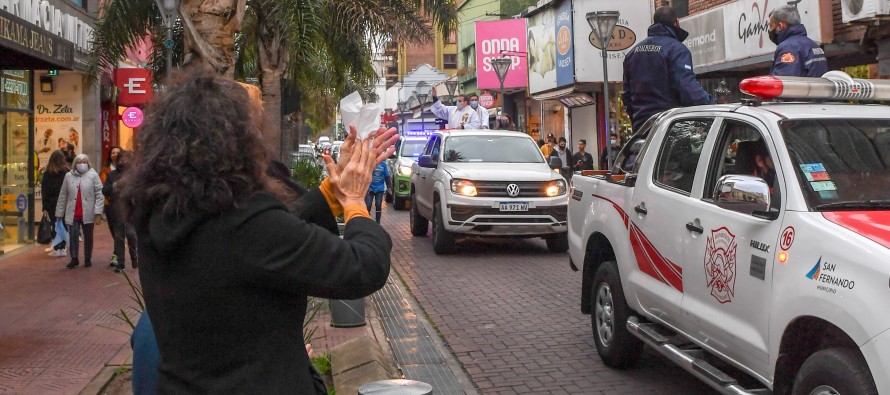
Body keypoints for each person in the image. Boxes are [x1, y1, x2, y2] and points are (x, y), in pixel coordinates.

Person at [122, 68, 396, 394]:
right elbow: (362, 266)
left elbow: (278, 235)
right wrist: (353, 201)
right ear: (233, 142)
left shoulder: (161, 211)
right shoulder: (244, 223)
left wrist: (331, 193)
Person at [622, 6, 714, 133]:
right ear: (676, 23)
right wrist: (712, 104)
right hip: (670, 128)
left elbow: (627, 95)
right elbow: (687, 88)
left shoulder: (632, 53)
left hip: (641, 128)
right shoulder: (676, 49)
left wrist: (637, 121)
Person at [55, 154, 103, 269]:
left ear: (88, 163)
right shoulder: (68, 176)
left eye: (84, 162)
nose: (82, 164)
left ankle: (87, 258)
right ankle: (74, 258)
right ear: (75, 164)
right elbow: (63, 195)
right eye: (79, 162)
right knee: (73, 235)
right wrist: (59, 213)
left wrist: (98, 211)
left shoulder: (93, 175)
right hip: (73, 212)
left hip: (88, 212)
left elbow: (99, 194)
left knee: (88, 236)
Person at [768, 5, 828, 77]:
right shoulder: (814, 45)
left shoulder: (789, 48)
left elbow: (784, 81)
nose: (770, 30)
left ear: (781, 26)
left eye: (771, 26)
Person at [102, 150, 137, 273]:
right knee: (119, 237)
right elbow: (105, 191)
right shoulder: (112, 175)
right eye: (121, 160)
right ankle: (120, 264)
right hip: (116, 210)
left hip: (131, 211)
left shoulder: (134, 174)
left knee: (132, 235)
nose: (123, 162)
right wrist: (116, 185)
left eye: (126, 160)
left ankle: (134, 258)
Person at [42, 150, 69, 257]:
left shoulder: (48, 174)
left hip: (52, 204)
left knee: (55, 225)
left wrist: (45, 206)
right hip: (65, 203)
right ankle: (63, 247)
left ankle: (57, 248)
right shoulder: (67, 172)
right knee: (64, 225)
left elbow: (45, 191)